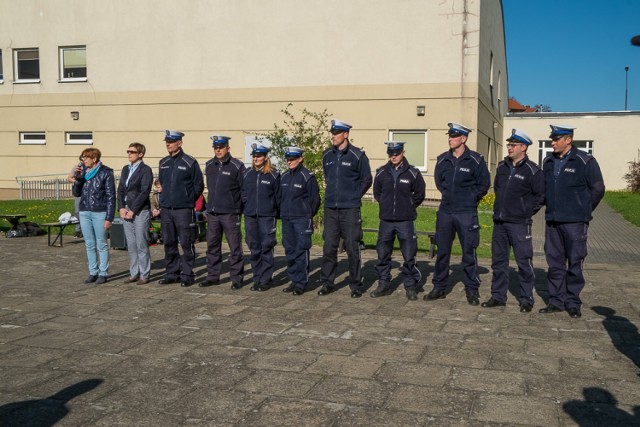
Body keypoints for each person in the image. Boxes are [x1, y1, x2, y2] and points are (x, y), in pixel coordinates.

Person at [540, 124, 605, 318]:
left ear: (568, 140)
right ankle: (556, 301)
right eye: (552, 139)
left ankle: (573, 302)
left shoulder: (585, 161)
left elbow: (598, 189)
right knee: (555, 263)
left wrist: (583, 210)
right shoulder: (548, 161)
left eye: (556, 139)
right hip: (553, 221)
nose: (553, 143)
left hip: (575, 222)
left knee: (575, 263)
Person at [425, 122, 491, 305]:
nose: (450, 139)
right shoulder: (442, 160)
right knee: (442, 252)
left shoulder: (476, 160)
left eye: (454, 136)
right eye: (449, 136)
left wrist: (470, 198)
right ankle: (439, 287)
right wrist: (448, 195)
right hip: (446, 211)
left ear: (464, 138)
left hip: (466, 212)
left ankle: (472, 290)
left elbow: (484, 184)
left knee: (469, 252)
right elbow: (439, 182)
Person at [481, 129, 544, 312]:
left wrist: (524, 212)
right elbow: (499, 189)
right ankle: (498, 296)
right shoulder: (502, 167)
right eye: (509, 144)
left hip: (519, 224)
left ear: (523, 147)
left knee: (524, 262)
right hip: (500, 223)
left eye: (513, 145)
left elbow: (540, 197)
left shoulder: (533, 170)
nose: (509, 147)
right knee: (498, 262)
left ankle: (526, 298)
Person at [318, 119, 372, 298]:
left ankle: (356, 284)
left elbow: (367, 179)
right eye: (332, 133)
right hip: (331, 209)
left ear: (346, 134)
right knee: (329, 247)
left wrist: (354, 195)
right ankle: (328, 282)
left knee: (352, 247)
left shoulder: (357, 156)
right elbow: (329, 178)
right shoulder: (327, 156)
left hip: (350, 209)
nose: (332, 136)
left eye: (336, 133)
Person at [370, 142, 426, 301]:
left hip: (405, 221)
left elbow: (420, 194)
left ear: (403, 153)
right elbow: (377, 193)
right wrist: (387, 205)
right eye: (390, 153)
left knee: (409, 255)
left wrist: (408, 206)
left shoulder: (413, 173)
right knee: (382, 254)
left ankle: (410, 285)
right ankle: (383, 284)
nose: (393, 156)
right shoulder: (381, 172)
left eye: (396, 153)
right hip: (386, 221)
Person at [158, 130, 204, 287]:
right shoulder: (163, 163)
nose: (168, 144)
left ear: (180, 143)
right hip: (166, 209)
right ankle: (172, 273)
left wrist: (187, 199)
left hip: (183, 209)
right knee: (169, 242)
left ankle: (187, 274)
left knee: (186, 243)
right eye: (167, 142)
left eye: (171, 142)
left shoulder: (190, 162)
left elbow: (198, 186)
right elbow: (162, 184)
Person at [201, 135, 246, 289]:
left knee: (234, 247)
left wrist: (238, 208)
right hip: (213, 213)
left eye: (221, 147)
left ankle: (236, 278)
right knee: (212, 247)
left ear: (228, 148)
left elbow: (243, 191)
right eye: (215, 147)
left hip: (230, 213)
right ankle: (213, 276)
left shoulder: (237, 166)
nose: (218, 150)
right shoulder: (209, 165)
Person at [279, 146, 321, 295]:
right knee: (290, 251)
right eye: (288, 159)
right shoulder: (284, 176)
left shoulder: (307, 176)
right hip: (287, 219)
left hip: (301, 219)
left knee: (301, 250)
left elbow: (315, 199)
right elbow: (280, 197)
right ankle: (293, 280)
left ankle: (301, 283)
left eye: (292, 159)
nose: (289, 162)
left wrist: (307, 214)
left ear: (300, 159)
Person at [71, 148, 116, 284]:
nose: (83, 160)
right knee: (89, 244)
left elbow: (111, 196)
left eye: (85, 157)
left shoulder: (106, 172)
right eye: (82, 157)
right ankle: (93, 271)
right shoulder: (83, 172)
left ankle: (103, 272)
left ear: (94, 158)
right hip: (85, 211)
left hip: (99, 211)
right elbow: (76, 193)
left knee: (101, 244)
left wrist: (109, 217)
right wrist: (78, 179)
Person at [241, 143, 280, 292]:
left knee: (266, 246)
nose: (256, 158)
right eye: (254, 156)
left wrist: (273, 210)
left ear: (265, 157)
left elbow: (278, 197)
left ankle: (266, 279)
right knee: (254, 248)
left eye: (259, 156)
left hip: (266, 216)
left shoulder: (273, 175)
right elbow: (243, 192)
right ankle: (257, 278)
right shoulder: (247, 174)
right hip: (251, 216)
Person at [117, 142, 154, 285]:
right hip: (126, 209)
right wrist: (121, 207)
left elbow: (145, 191)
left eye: (132, 152)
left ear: (140, 154)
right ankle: (134, 272)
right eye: (128, 151)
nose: (129, 154)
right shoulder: (126, 169)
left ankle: (144, 274)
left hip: (139, 210)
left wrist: (133, 209)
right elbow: (120, 189)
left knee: (141, 243)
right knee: (131, 244)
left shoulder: (146, 170)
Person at [67, 155, 84, 238]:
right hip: (79, 193)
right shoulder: (77, 167)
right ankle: (78, 230)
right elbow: (69, 178)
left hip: (88, 193)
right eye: (82, 159)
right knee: (78, 211)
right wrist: (77, 181)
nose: (83, 161)